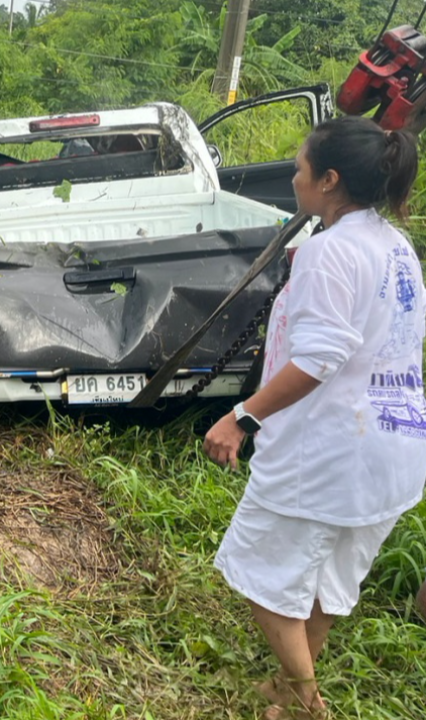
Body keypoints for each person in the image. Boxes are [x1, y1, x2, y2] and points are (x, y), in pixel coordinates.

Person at [202, 116, 426, 720]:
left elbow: (320, 357)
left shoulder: (331, 251)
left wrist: (242, 417)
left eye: (300, 167)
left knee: (256, 570)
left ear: (329, 180)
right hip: (396, 449)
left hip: (331, 452)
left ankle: (304, 700)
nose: (293, 175)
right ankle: (287, 684)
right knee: (327, 581)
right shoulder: (395, 245)